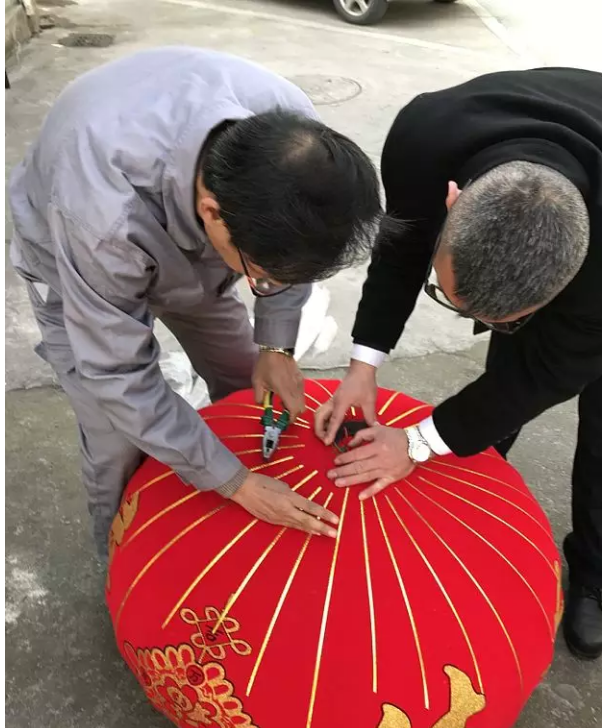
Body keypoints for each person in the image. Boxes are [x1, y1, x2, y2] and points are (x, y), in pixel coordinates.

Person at [315, 68, 602, 660]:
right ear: (451, 200)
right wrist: (362, 365)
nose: (480, 323)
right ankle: (480, 475)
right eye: (451, 298)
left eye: (512, 317)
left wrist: (417, 442)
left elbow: (553, 372)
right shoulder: (425, 137)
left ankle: (595, 572)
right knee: (505, 375)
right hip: (577, 152)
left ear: (573, 279)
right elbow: (402, 250)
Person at [9, 47, 389, 561]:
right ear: (212, 212)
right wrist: (233, 481)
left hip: (190, 228)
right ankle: (122, 560)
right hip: (71, 255)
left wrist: (276, 347)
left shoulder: (299, 141)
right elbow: (117, 374)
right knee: (115, 436)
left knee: (244, 376)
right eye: (261, 275)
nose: (267, 284)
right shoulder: (102, 216)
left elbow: (292, 255)